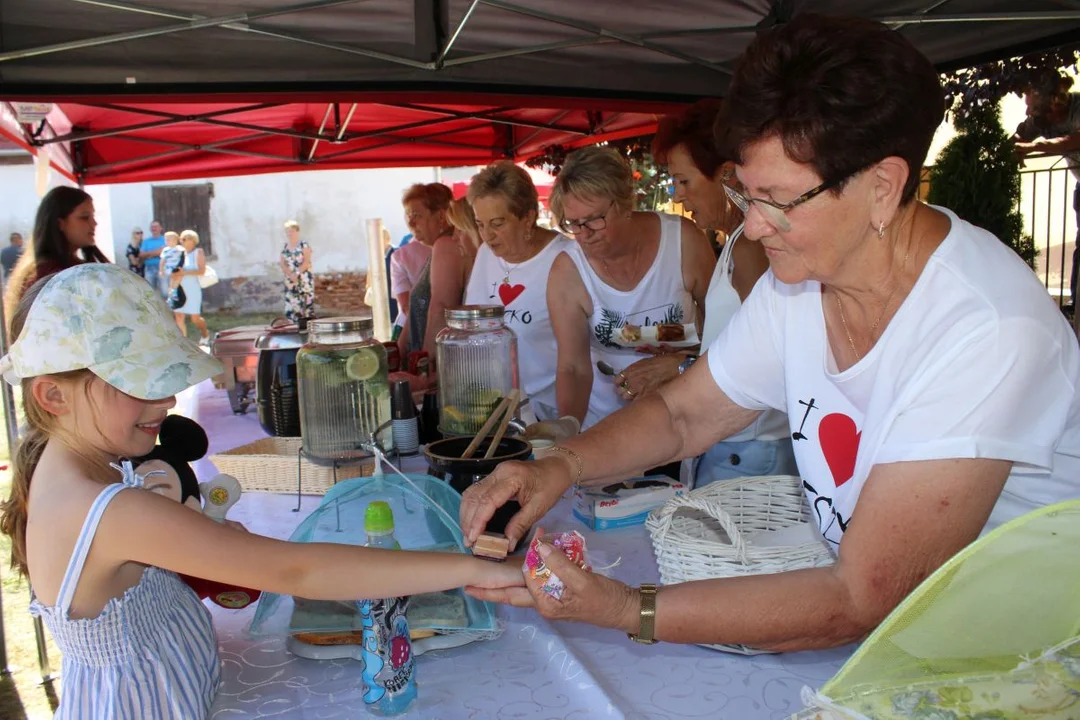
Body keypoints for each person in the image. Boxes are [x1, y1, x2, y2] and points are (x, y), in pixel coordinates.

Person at [462, 14, 1080, 652]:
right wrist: (561, 466)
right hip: (918, 638)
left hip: (1028, 651)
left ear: (883, 187)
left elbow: (861, 596)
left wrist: (626, 609)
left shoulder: (983, 328)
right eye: (744, 193)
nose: (752, 228)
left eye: (778, 201)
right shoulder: (803, 282)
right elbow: (684, 413)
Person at [0, 263, 522, 718]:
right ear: (53, 396)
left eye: (165, 376)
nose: (166, 397)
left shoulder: (71, 470)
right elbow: (297, 569)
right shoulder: (115, 511)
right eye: (139, 382)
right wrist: (472, 566)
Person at [641, 101, 796, 485]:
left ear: (727, 175)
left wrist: (677, 369)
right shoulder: (736, 242)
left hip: (748, 449)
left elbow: (768, 358)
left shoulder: (750, 247)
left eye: (685, 181)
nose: (678, 196)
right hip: (737, 444)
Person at [546, 146, 714, 429]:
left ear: (625, 203)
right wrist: (568, 430)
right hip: (608, 423)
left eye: (594, 220)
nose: (585, 235)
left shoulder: (683, 241)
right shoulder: (568, 270)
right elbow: (573, 368)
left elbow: (726, 330)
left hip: (687, 418)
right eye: (573, 223)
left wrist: (680, 363)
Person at [464, 161, 570, 421]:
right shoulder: (485, 255)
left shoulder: (565, 257)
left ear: (528, 217)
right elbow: (472, 328)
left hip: (551, 410)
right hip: (496, 408)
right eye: (480, 224)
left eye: (497, 223)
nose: (487, 235)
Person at [1012, 70, 1080, 305]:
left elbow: (1074, 140)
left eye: (1033, 107)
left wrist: (1036, 147)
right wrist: (1015, 148)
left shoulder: (1077, 107)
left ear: (1053, 101)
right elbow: (1019, 137)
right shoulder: (1037, 120)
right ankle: (1076, 304)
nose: (1028, 112)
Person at [5, 186, 110, 329]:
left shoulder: (68, 268)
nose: (94, 223)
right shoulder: (47, 275)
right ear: (60, 223)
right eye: (85, 217)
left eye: (93, 216)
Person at [397, 183, 471, 363]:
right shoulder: (439, 247)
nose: (411, 223)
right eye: (408, 215)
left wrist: (425, 364)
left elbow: (441, 307)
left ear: (440, 216)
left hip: (437, 363)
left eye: (417, 215)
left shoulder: (445, 245)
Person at [389, 229, 433, 338]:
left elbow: (406, 306)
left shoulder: (401, 255)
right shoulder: (455, 247)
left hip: (408, 327)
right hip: (441, 326)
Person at [171, 229, 211, 346]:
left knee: (195, 318)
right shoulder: (179, 254)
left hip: (192, 288)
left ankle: (205, 333)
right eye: (181, 239)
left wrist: (184, 273)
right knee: (178, 315)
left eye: (185, 239)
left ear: (193, 241)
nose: (182, 241)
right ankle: (183, 343)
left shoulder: (198, 252)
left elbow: (201, 271)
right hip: (179, 287)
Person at [279, 220, 315, 322]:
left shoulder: (304, 245)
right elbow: (282, 263)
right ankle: (292, 325)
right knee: (292, 303)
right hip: (290, 280)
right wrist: (290, 275)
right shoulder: (285, 247)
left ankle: (307, 326)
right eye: (288, 231)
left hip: (304, 279)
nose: (290, 233)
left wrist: (297, 273)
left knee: (305, 303)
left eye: (292, 231)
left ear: (297, 231)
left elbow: (307, 261)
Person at [140, 219, 167, 296]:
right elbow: (141, 255)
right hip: (149, 269)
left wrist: (148, 254)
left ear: (161, 228)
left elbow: (166, 253)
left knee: (164, 293)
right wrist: (157, 252)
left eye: (156, 226)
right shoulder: (146, 241)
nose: (153, 228)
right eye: (152, 227)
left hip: (163, 269)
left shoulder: (165, 240)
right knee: (150, 292)